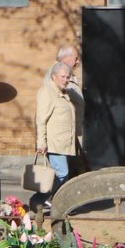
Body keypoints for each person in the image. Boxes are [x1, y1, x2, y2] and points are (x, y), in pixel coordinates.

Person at [35, 61, 78, 205]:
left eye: (68, 77)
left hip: (64, 142)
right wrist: (41, 142)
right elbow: (41, 119)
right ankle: (41, 200)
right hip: (54, 142)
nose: (66, 80)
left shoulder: (63, 93)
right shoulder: (47, 92)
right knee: (62, 172)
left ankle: (50, 201)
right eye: (63, 77)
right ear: (53, 76)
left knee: (63, 173)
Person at [56, 44, 87, 172]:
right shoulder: (58, 78)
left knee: (73, 172)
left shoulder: (70, 77)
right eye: (76, 58)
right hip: (63, 137)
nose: (78, 61)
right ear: (67, 59)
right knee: (63, 173)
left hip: (74, 136)